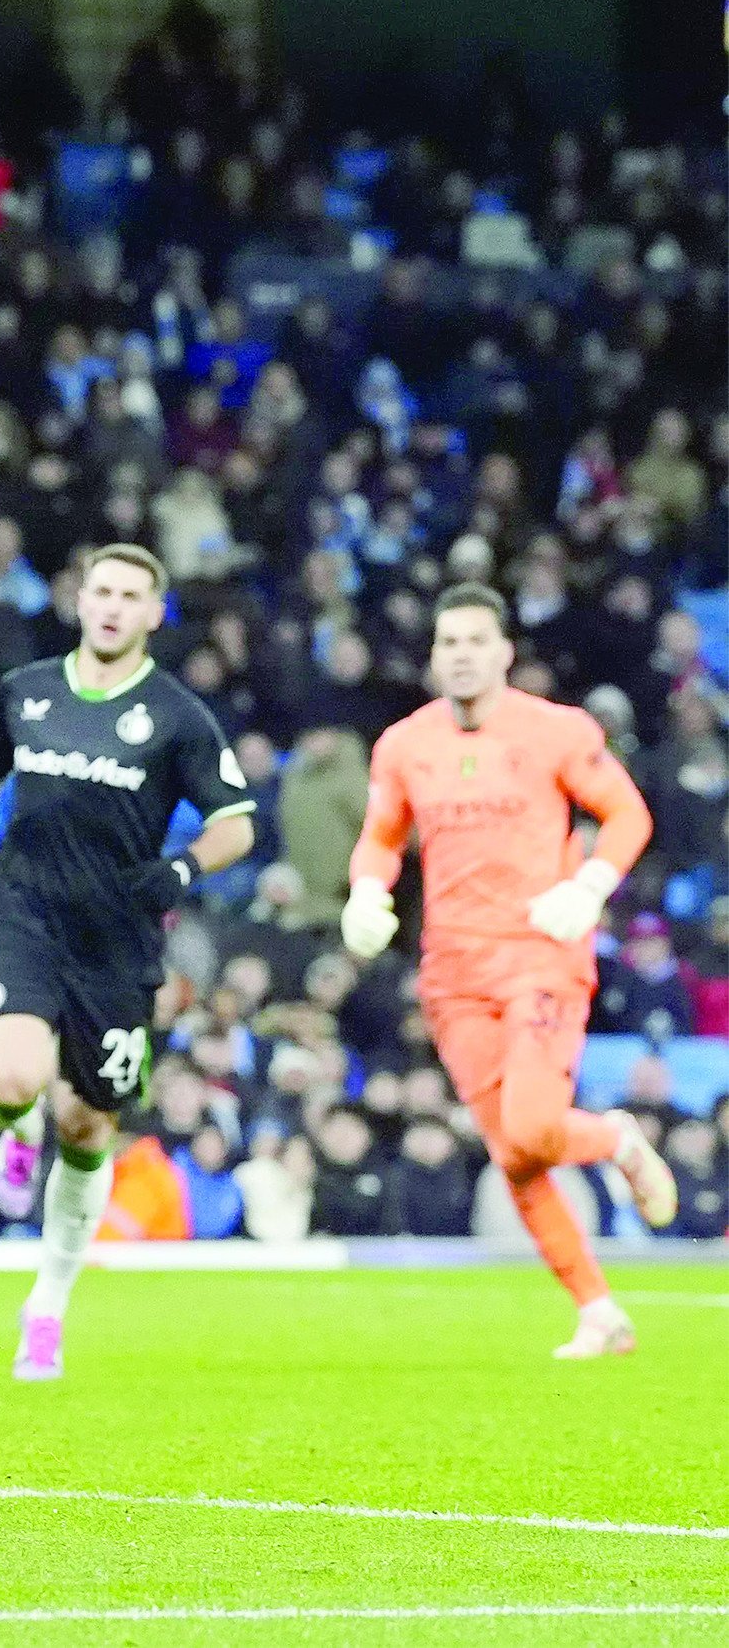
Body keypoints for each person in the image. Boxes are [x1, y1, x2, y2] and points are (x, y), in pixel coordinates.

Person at [0, 544, 256, 1379]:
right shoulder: (26, 692)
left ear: (153, 615)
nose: (113, 605)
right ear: (78, 597)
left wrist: (184, 866)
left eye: (133, 595)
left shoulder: (175, 715)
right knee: (17, 1078)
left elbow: (236, 819)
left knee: (91, 1128)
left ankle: (46, 1305)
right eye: (102, 589)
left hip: (119, 943)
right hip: (24, 917)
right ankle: (17, 1130)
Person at [342, 582, 674, 1357]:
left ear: (503, 651)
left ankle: (618, 1140)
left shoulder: (555, 730)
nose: (460, 654)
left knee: (532, 1128)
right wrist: (365, 889)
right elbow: (382, 835)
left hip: (539, 953)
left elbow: (627, 812)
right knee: (516, 1154)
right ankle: (597, 1310)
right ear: (433, 656)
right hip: (452, 973)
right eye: (446, 642)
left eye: (474, 640)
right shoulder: (405, 743)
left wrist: (589, 887)